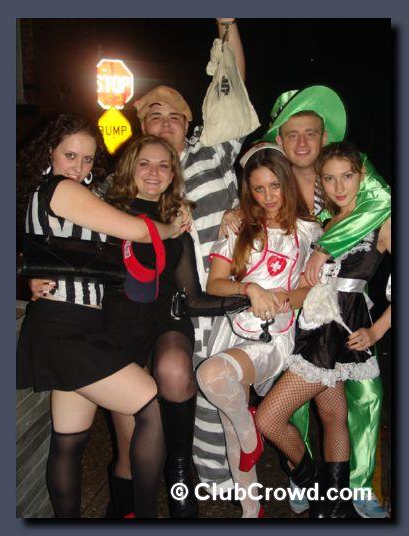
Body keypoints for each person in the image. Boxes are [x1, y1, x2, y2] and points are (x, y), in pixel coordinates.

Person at [16, 114, 184, 518]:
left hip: (78, 324)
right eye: (70, 155)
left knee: (69, 441)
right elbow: (139, 231)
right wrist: (173, 227)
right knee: (149, 405)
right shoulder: (60, 189)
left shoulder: (68, 195)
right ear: (49, 153)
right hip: (64, 326)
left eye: (88, 159)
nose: (78, 167)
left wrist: (27, 276)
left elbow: (44, 249)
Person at [101, 134, 249, 518]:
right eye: (145, 163)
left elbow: (193, 296)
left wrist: (248, 297)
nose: (154, 172)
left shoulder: (177, 223)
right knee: (131, 443)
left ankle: (180, 469)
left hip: (168, 318)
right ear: (130, 167)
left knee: (174, 368)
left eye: (163, 165)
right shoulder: (105, 213)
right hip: (120, 326)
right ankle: (126, 510)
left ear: (172, 175)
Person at [260, 85, 391, 517]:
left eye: (346, 177)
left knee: (355, 402)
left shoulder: (375, 212)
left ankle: (335, 486)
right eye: (331, 179)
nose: (337, 185)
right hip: (305, 322)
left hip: (346, 325)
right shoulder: (306, 207)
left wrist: (379, 329)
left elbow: (379, 202)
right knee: (325, 414)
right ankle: (324, 494)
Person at [196, 143, 322, 517]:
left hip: (273, 336)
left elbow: (312, 289)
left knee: (212, 375)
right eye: (258, 188)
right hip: (232, 328)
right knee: (230, 426)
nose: (268, 196)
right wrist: (249, 288)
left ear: (286, 182)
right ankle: (253, 512)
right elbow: (215, 284)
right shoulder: (239, 228)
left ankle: (251, 433)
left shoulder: (308, 231)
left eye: (274, 185)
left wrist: (285, 298)